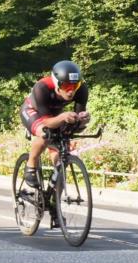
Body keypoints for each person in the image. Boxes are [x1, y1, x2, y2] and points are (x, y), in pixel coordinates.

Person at [19, 60, 90, 188]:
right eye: (66, 86)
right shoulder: (42, 88)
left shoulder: (82, 90)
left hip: (54, 113)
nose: (71, 91)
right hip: (32, 111)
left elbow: (77, 121)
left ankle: (54, 190)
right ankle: (31, 164)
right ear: (57, 83)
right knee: (45, 132)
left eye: (75, 86)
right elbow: (46, 122)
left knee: (62, 149)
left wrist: (82, 120)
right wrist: (63, 117)